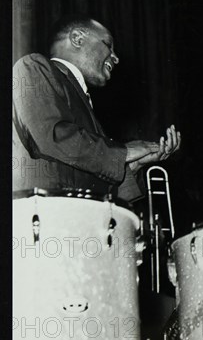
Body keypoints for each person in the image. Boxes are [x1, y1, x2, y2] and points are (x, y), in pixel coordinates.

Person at [12, 15, 181, 202]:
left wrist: (129, 167)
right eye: (108, 45)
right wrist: (123, 153)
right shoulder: (34, 66)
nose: (116, 58)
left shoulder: (84, 104)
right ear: (78, 38)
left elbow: (89, 177)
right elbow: (52, 136)